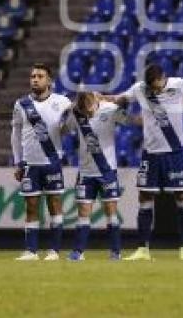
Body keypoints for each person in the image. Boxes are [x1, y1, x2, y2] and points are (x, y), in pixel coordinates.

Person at [103, 63, 183, 261]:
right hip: (151, 154)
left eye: (157, 86)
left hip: (174, 153)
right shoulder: (140, 88)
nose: (155, 90)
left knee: (182, 198)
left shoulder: (178, 84)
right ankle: (143, 248)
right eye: (152, 88)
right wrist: (100, 98)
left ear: (164, 78)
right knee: (145, 198)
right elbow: (119, 99)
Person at [10, 63, 73, 261]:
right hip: (30, 163)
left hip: (52, 161)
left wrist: (66, 127)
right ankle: (31, 251)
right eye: (33, 76)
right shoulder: (21, 104)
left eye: (40, 76)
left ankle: (54, 250)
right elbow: (15, 133)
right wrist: (18, 161)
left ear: (49, 81)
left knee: (54, 204)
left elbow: (72, 124)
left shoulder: (62, 102)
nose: (35, 79)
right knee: (31, 206)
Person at [64, 91, 132, 261]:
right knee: (84, 212)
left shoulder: (109, 109)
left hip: (107, 170)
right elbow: (65, 129)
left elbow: (127, 120)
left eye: (90, 111)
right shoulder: (77, 113)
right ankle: (78, 252)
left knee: (110, 211)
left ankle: (115, 252)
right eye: (85, 112)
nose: (88, 114)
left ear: (96, 103)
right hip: (86, 172)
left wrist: (119, 102)